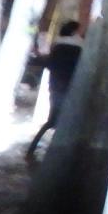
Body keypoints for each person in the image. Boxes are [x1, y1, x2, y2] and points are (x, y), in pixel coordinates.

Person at [25, 20, 84, 160]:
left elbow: (49, 64)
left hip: (55, 87)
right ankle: (57, 154)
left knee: (52, 120)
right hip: (70, 89)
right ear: (74, 32)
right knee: (64, 121)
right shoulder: (79, 49)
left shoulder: (58, 47)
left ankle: (32, 150)